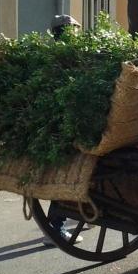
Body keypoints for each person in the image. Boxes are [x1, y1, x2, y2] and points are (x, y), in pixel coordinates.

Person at [43, 15, 84, 247]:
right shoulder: (70, 58)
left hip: (54, 126)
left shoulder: (49, 56)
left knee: (65, 176)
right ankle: (55, 228)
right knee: (65, 177)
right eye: (74, 30)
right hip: (65, 128)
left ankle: (77, 213)